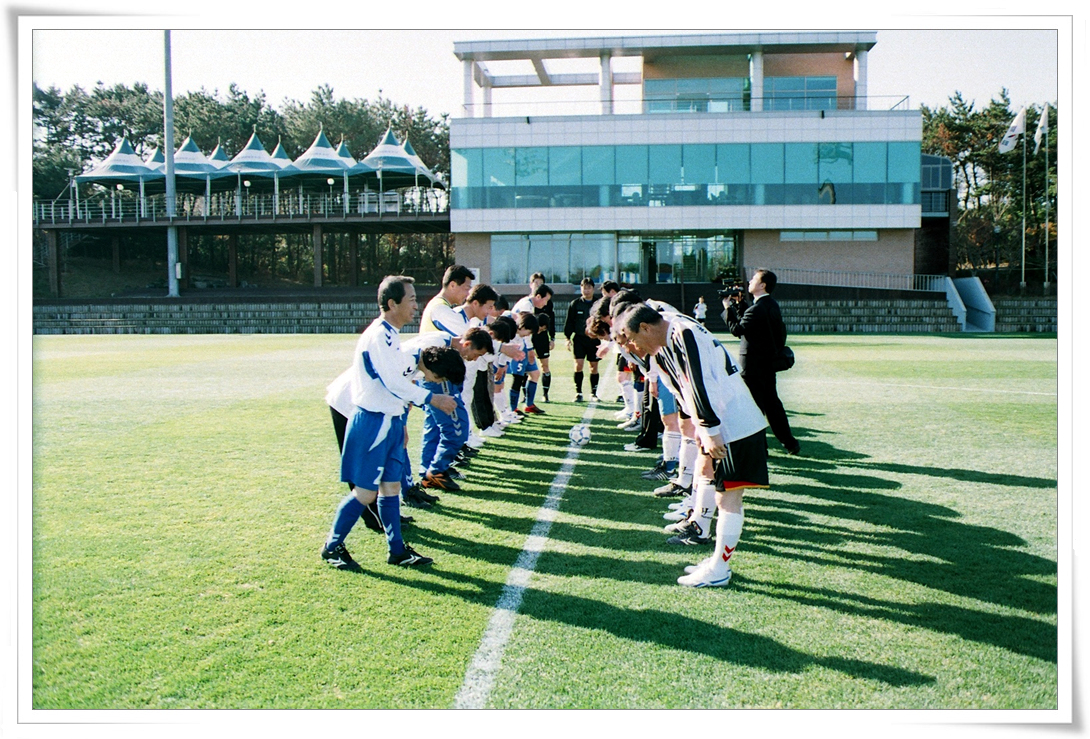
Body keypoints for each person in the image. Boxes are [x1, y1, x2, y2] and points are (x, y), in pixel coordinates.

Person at [620, 303, 769, 588]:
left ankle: (719, 570)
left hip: (732, 423)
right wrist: (704, 427)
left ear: (646, 328)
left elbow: (700, 383)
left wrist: (709, 429)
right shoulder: (673, 333)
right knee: (723, 494)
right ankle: (716, 563)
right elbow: (689, 386)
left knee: (729, 498)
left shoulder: (682, 332)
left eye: (632, 338)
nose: (633, 345)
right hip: (725, 422)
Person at [320, 275, 458, 571]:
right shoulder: (378, 336)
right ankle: (332, 547)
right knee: (366, 493)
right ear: (392, 303)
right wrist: (433, 399)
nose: (416, 306)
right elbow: (393, 382)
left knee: (391, 488)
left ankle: (397, 551)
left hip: (390, 421)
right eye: (411, 300)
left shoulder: (391, 336)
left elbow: (398, 382)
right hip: (372, 423)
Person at [723, 269, 801, 456]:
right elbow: (751, 325)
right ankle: (789, 442)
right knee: (773, 406)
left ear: (762, 285)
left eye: (753, 279)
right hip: (767, 364)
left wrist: (727, 308)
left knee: (754, 408)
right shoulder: (770, 305)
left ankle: (761, 448)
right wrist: (740, 305)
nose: (749, 281)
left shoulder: (759, 308)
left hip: (753, 366)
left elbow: (738, 329)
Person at [564, 277, 601, 402]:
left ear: (593, 288)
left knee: (593, 366)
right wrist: (567, 338)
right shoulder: (575, 304)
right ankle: (578, 392)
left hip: (594, 340)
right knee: (578, 365)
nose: (586, 290)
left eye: (589, 287)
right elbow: (569, 322)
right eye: (584, 287)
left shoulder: (598, 304)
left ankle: (593, 393)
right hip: (579, 339)